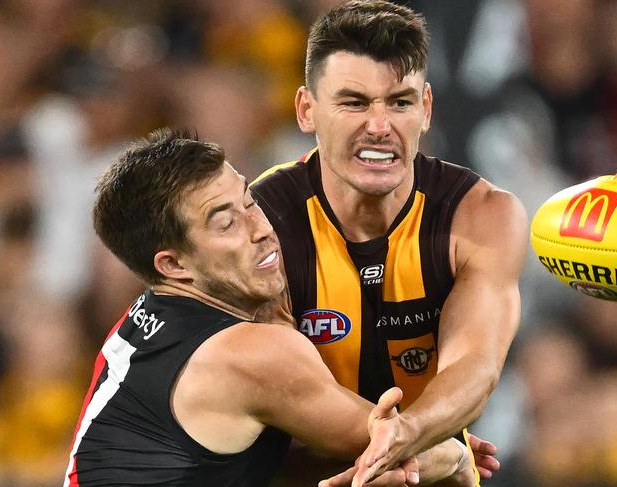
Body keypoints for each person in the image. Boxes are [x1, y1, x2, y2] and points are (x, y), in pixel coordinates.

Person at [62, 128, 493, 486]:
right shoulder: (250, 353)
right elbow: (390, 449)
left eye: (249, 201)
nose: (262, 229)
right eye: (227, 222)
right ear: (173, 264)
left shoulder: (145, 319)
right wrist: (452, 455)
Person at [251, 1, 528, 484]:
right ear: (306, 110)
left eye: (399, 102)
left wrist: (409, 438)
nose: (379, 126)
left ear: (425, 109)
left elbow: (476, 369)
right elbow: (271, 403)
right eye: (354, 103)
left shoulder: (482, 216)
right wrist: (440, 451)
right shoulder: (262, 225)